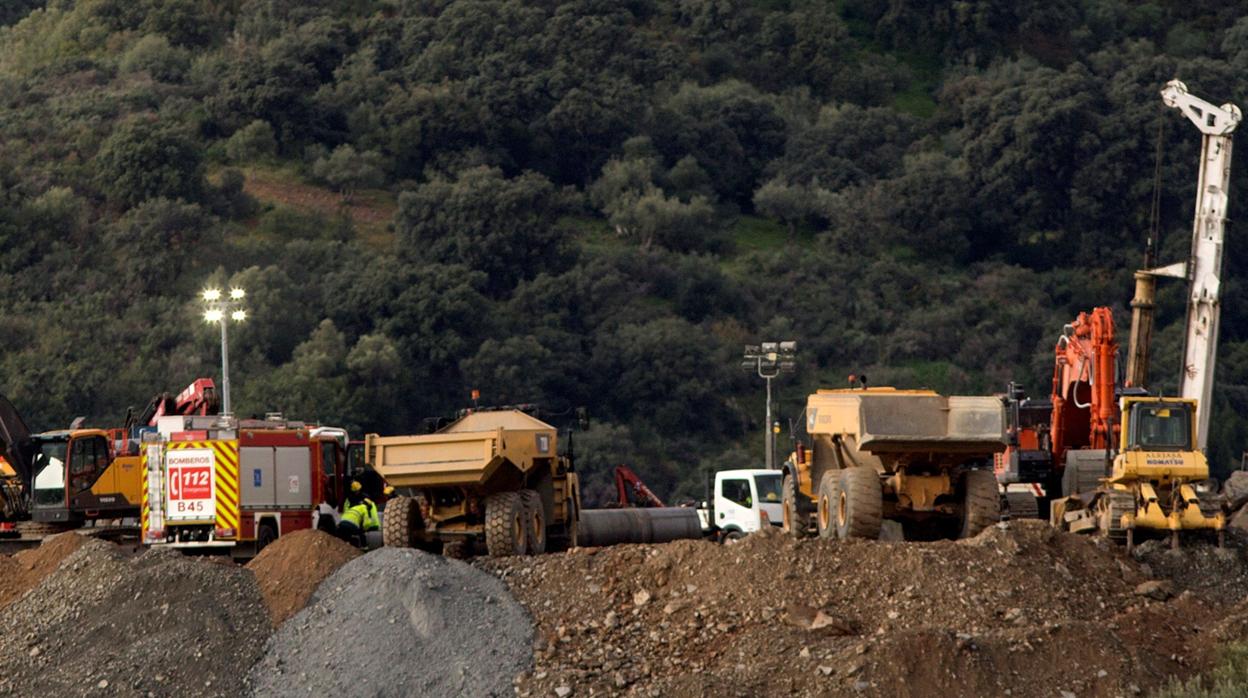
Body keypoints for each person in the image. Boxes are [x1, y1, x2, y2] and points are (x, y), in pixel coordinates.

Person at [337, 480, 379, 547]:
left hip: (349, 519)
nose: (357, 492)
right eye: (356, 491)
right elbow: (366, 519)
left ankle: (351, 545)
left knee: (352, 533)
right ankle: (362, 547)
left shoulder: (359, 498)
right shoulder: (356, 500)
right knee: (358, 532)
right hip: (354, 519)